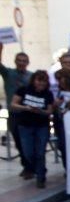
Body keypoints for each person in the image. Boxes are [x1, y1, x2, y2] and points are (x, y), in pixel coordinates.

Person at [10, 70, 54, 189]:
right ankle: (39, 169)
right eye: (39, 80)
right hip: (25, 125)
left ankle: (41, 177)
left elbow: (49, 111)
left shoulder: (48, 94)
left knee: (40, 152)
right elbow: (13, 104)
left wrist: (40, 111)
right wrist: (26, 108)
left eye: (44, 81)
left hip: (42, 126)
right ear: (34, 80)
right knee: (28, 152)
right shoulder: (23, 90)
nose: (41, 83)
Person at [0, 43, 33, 178]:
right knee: (18, 142)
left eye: (24, 61)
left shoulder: (32, 76)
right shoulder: (8, 73)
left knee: (29, 143)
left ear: (28, 63)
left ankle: (32, 167)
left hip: (29, 113)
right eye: (19, 60)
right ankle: (26, 166)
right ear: (15, 61)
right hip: (14, 114)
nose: (21, 63)